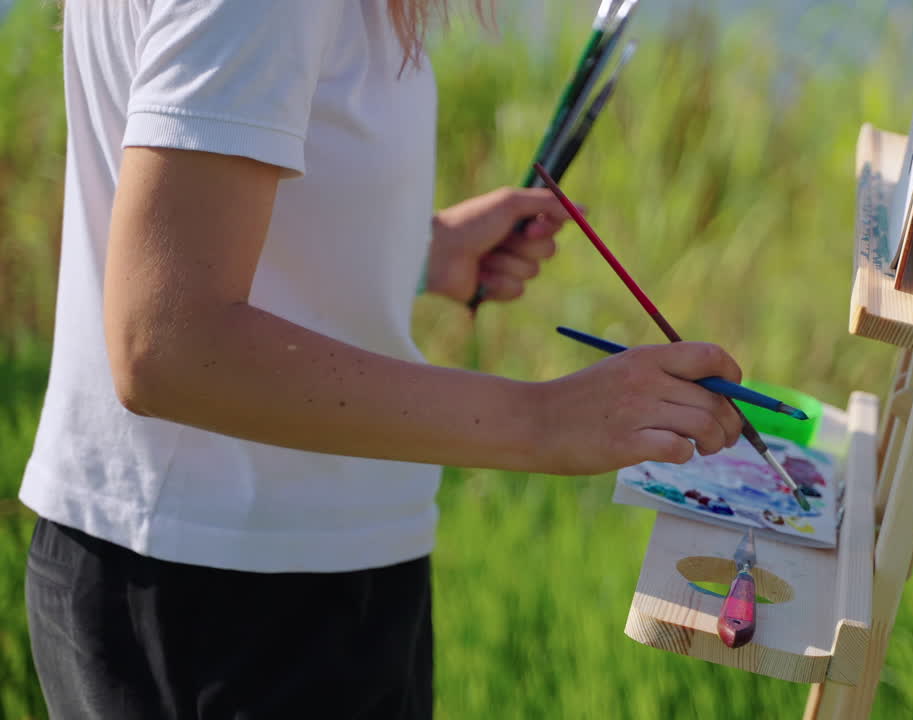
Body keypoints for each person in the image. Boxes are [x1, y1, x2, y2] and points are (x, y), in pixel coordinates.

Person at [20, 1, 743, 717]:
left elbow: (207, 210)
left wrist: (421, 252)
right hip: (225, 590)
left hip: (272, 564)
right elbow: (168, 347)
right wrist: (544, 418)